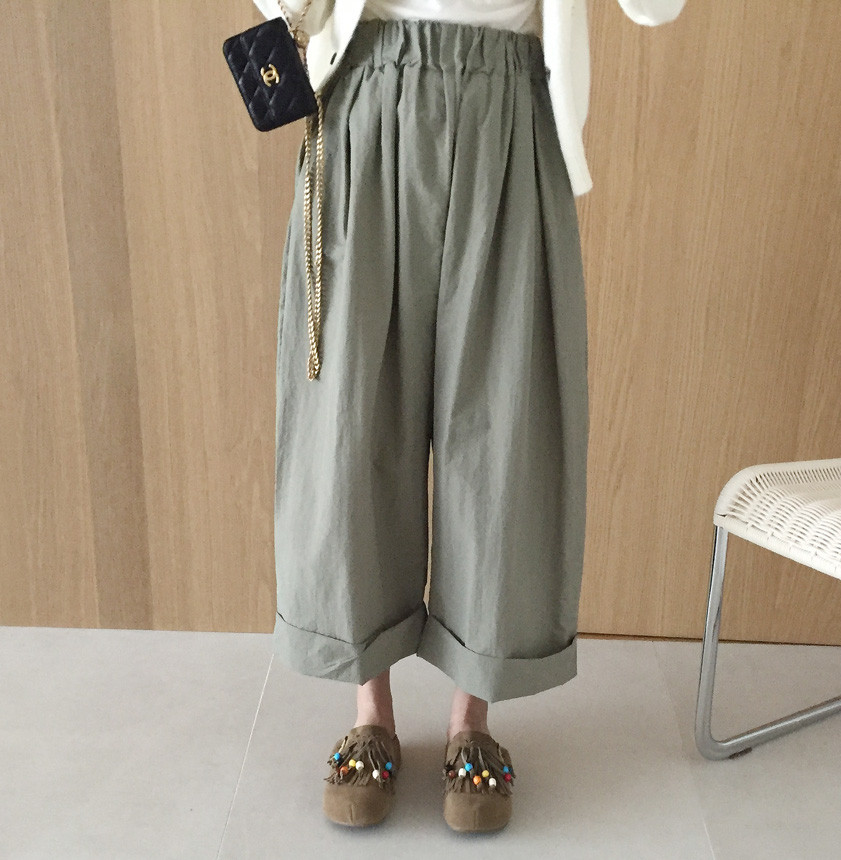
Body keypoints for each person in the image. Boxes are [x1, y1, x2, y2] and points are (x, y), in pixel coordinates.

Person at [253, 0, 686, 833]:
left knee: (504, 418)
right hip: (369, 89)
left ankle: (471, 718)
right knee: (350, 416)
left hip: (510, 105)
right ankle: (370, 709)